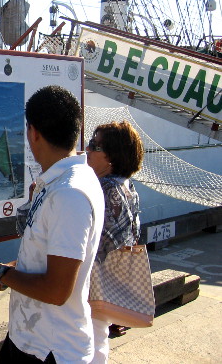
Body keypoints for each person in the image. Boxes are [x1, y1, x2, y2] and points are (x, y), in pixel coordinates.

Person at [0, 85, 104, 363]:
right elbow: (47, 261)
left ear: (33, 132)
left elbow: (57, 290)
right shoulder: (62, 182)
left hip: (50, 350)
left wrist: (0, 274)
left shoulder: (69, 194)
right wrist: (7, 271)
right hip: (29, 340)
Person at [86, 120, 144, 363]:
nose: (86, 149)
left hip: (93, 287)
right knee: (99, 342)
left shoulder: (103, 190)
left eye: (93, 145)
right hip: (113, 285)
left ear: (110, 157)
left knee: (91, 342)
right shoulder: (127, 187)